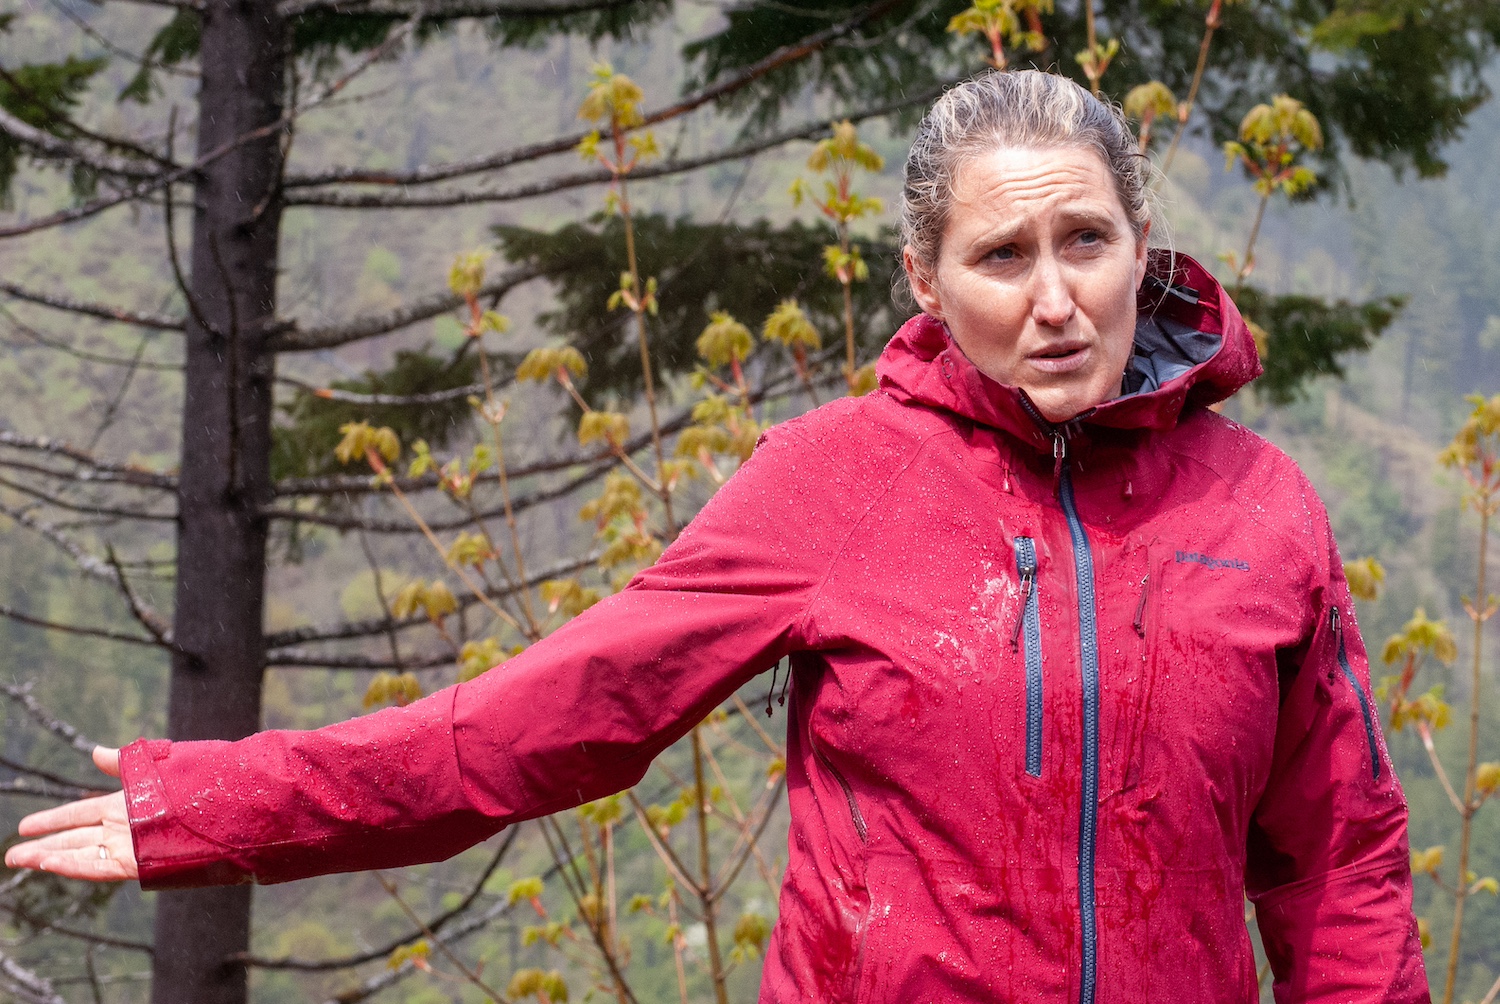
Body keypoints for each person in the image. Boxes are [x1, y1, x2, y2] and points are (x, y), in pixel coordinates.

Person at [7, 70, 1428, 1003]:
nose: (1055, 299)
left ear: (1142, 244)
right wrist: (222, 807)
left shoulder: (1263, 512)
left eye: (1087, 242)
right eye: (1003, 258)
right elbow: (540, 724)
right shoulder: (830, 485)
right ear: (926, 279)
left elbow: (1337, 868)